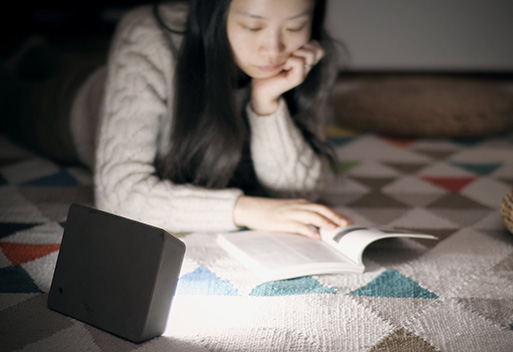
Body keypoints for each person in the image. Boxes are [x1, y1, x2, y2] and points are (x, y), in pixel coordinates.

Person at [1, 0, 351, 239]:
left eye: (295, 26)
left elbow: (298, 190)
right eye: (252, 25)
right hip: (74, 106)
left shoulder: (306, 58)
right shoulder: (149, 35)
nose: (274, 50)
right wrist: (244, 210)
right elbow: (120, 195)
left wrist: (267, 103)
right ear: (215, 14)